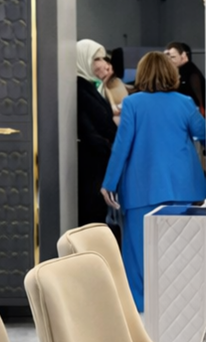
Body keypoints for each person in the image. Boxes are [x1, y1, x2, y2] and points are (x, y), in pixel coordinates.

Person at [101, 52, 206, 313]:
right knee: (180, 253)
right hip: (183, 189)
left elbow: (122, 146)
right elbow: (205, 134)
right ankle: (178, 307)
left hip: (142, 189)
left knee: (138, 254)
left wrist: (109, 182)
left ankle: (141, 309)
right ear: (171, 73)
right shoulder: (184, 103)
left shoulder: (132, 103)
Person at [76, 39, 116, 227]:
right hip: (92, 165)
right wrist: (110, 147)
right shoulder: (79, 88)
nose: (103, 64)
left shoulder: (89, 86)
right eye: (97, 59)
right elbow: (87, 129)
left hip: (97, 162)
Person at [165, 41, 206, 114]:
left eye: (173, 57)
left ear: (183, 56)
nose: (169, 61)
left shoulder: (189, 73)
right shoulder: (189, 71)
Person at [95, 52, 129, 124]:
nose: (108, 67)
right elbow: (114, 109)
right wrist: (106, 78)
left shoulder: (117, 80)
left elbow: (130, 88)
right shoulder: (101, 86)